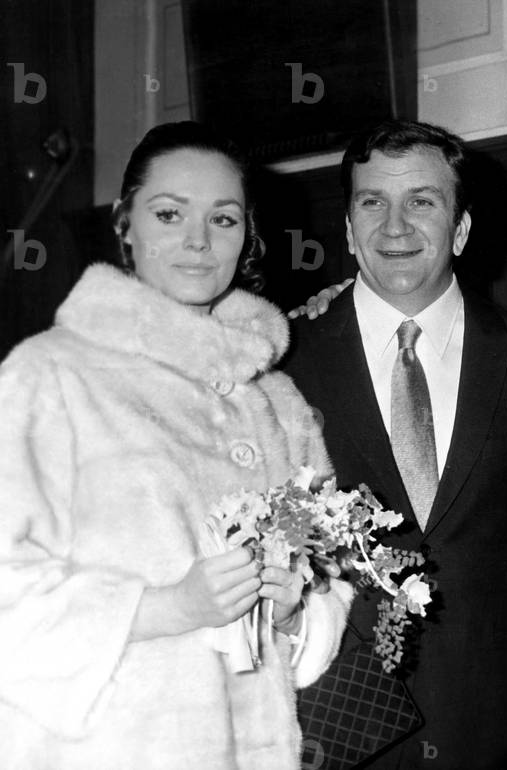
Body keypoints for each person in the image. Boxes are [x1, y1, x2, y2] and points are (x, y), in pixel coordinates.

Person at [0, 121, 352, 769]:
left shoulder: (276, 401)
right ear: (124, 223)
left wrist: (293, 608)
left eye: (223, 220)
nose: (197, 241)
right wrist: (167, 607)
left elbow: (330, 579)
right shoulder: (49, 377)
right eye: (169, 214)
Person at [283, 119, 507, 770]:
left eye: (421, 201)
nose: (394, 227)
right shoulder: (283, 363)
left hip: (503, 728)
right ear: (347, 226)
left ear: (461, 227)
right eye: (372, 202)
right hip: (337, 732)